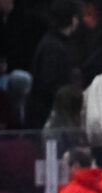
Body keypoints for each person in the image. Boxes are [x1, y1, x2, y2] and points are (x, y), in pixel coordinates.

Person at [27, 1, 83, 136]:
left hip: (58, 115)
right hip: (51, 118)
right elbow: (51, 85)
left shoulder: (57, 43)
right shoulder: (53, 47)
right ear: (73, 19)